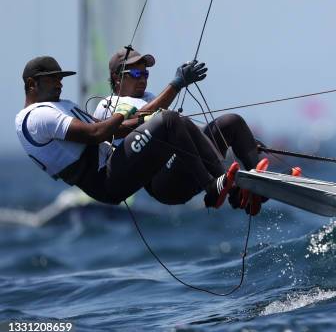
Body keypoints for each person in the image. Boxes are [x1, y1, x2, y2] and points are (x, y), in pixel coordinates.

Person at [15, 55, 243, 211]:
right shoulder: (36, 116)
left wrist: (143, 119)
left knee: (174, 121)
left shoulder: (59, 105)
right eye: (52, 78)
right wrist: (125, 114)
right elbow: (96, 133)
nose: (59, 83)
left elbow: (114, 131)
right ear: (32, 84)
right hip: (105, 179)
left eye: (60, 77)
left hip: (112, 165)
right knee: (170, 120)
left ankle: (232, 188)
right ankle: (213, 187)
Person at [94, 47, 271, 213]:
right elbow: (135, 122)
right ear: (117, 77)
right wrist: (176, 84)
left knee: (232, 123)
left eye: (145, 74)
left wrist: (240, 141)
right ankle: (225, 189)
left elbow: (186, 131)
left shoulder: (149, 98)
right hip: (163, 183)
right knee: (172, 119)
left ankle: (258, 190)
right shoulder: (107, 105)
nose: (143, 79)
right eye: (136, 73)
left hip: (186, 165)